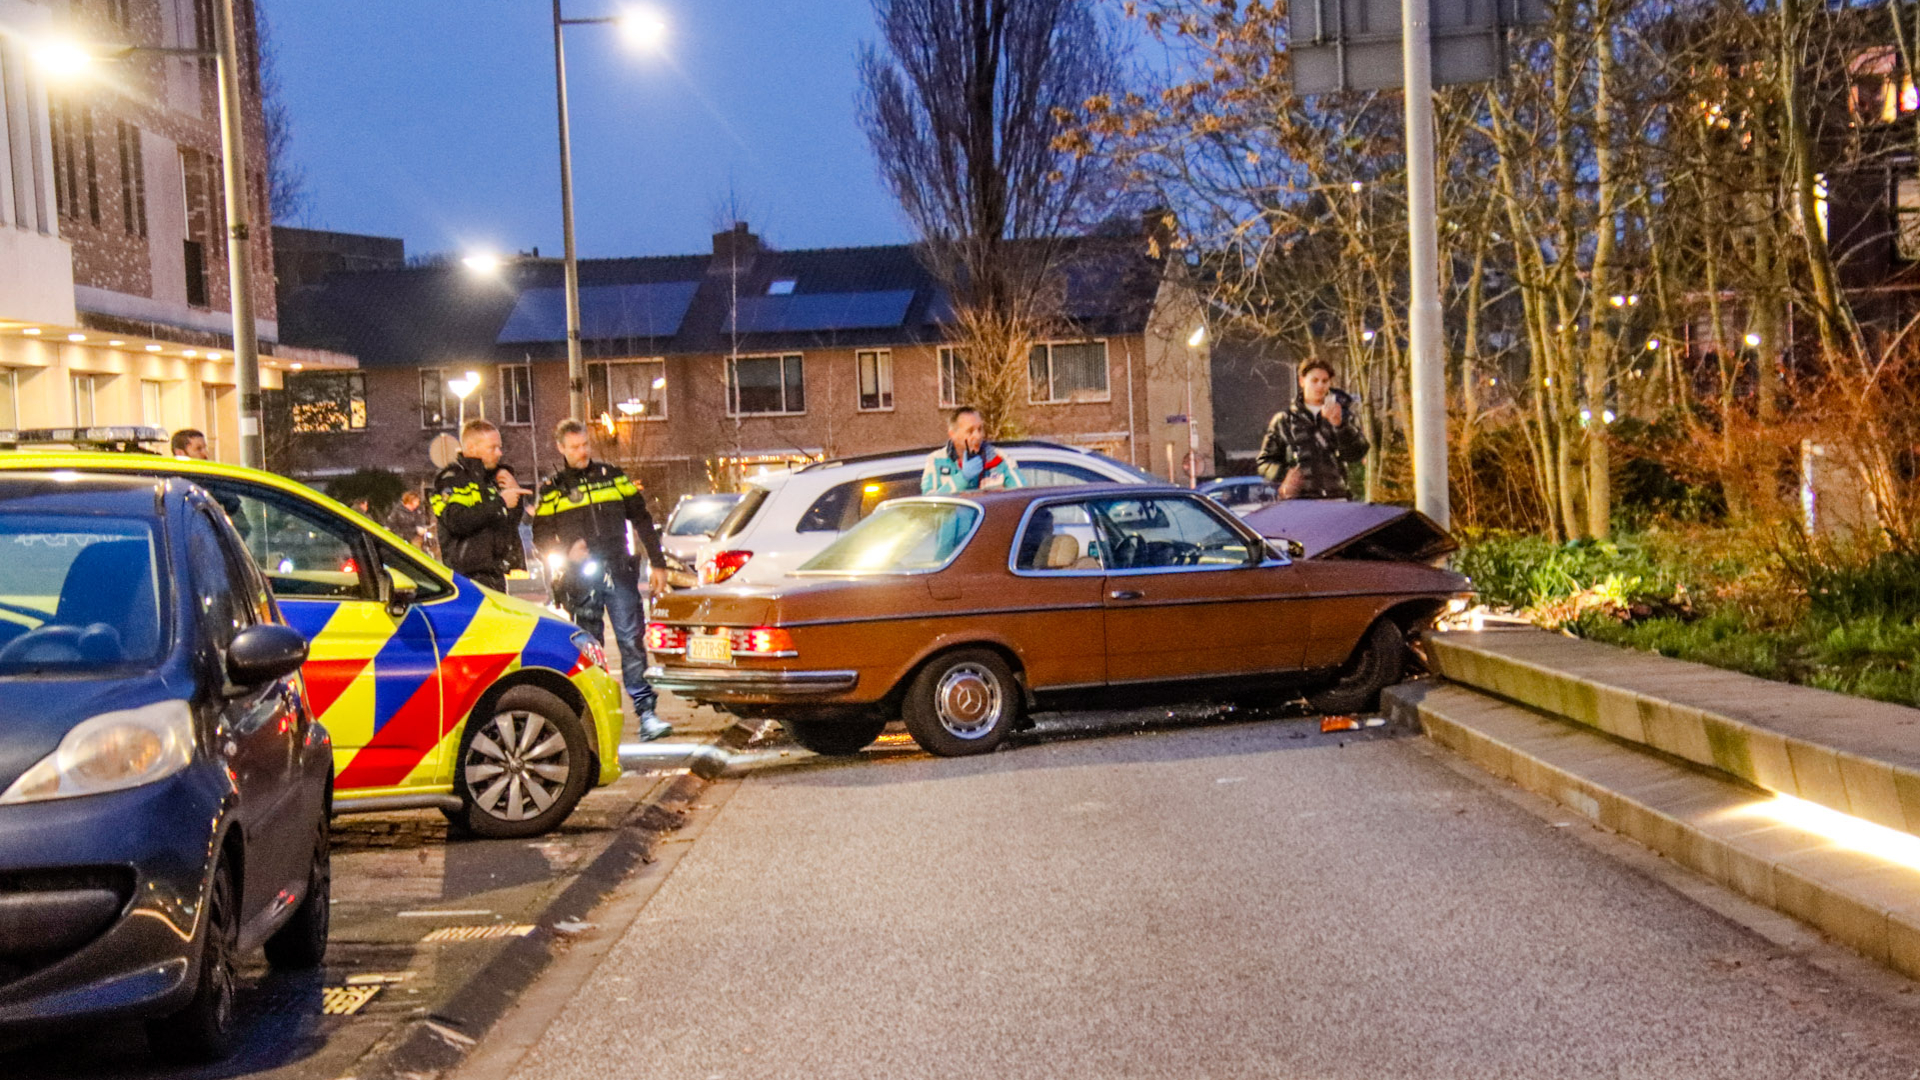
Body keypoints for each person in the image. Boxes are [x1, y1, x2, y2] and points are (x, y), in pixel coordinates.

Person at [532, 419, 672, 741]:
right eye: (575, 447)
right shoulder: (553, 489)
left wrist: (658, 562)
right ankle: (595, 719)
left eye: (585, 445)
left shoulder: (612, 477)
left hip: (619, 572)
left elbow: (641, 517)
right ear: (561, 448)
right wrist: (566, 551)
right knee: (589, 650)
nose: (582, 452)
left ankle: (646, 713)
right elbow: (540, 535)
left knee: (631, 642)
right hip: (580, 580)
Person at [430, 419, 529, 592]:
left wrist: (514, 493)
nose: (499, 453)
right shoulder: (452, 479)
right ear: (471, 448)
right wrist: (500, 503)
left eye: (499, 447)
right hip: (467, 578)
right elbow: (456, 520)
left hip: (494, 575)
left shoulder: (492, 480)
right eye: (492, 447)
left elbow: (509, 524)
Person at [1256, 359, 1369, 500]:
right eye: (1314, 380)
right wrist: (1284, 475)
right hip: (1300, 502)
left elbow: (1357, 453)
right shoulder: (1284, 420)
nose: (1320, 386)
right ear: (1302, 381)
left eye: (1325, 381)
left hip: (1336, 499)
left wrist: (1340, 426)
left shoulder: (1343, 416)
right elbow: (1264, 462)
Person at [921, 406, 1025, 493]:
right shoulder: (936, 461)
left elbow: (1022, 496)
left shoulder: (999, 459)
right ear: (953, 434)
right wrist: (962, 478)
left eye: (980, 429)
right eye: (970, 431)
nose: (978, 436)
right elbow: (929, 507)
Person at [387, 489, 437, 557]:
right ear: (411, 501)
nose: (418, 503)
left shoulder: (418, 511)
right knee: (416, 546)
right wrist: (414, 530)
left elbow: (421, 521)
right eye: (416, 501)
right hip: (404, 538)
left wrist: (422, 528)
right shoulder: (397, 512)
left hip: (418, 536)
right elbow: (392, 527)